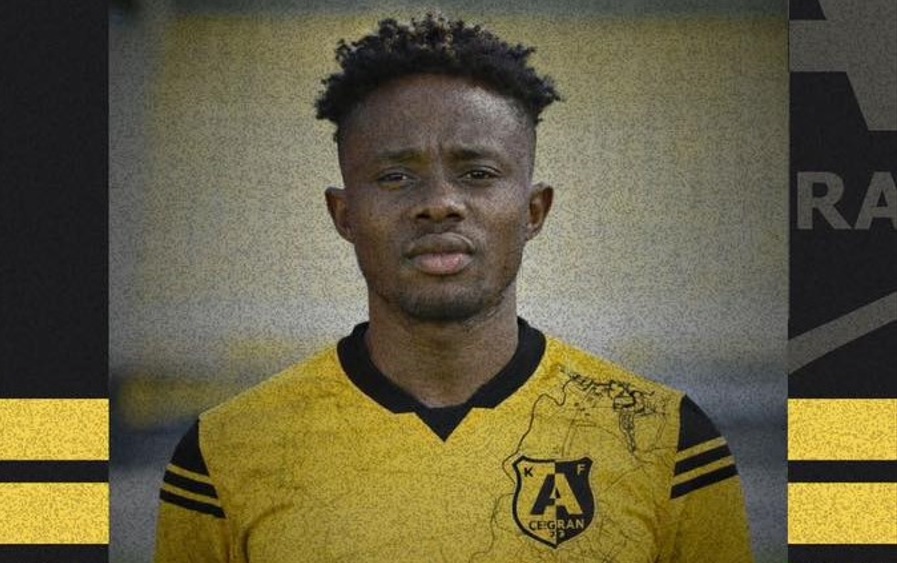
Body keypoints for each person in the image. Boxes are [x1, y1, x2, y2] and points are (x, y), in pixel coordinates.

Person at [154, 14, 754, 562]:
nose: (440, 203)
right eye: (395, 176)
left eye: (478, 173)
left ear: (534, 211)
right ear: (344, 214)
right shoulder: (226, 451)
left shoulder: (665, 440)